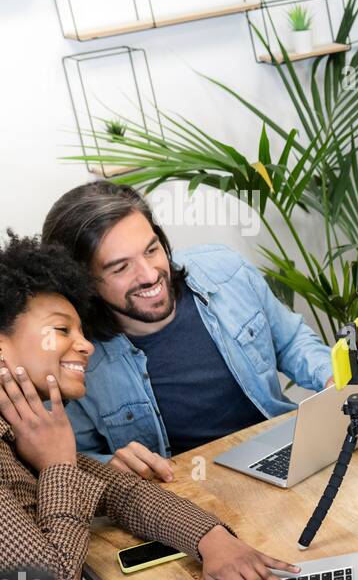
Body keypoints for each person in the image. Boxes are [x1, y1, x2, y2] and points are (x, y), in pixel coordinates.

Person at [0, 233, 298, 580]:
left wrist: (214, 541)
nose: (86, 344)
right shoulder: (35, 450)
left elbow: (123, 491)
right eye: (61, 331)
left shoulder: (22, 435)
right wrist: (61, 463)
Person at [42, 180, 333, 481]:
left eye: (152, 250)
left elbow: (290, 341)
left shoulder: (226, 270)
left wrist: (329, 374)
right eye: (120, 268)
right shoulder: (76, 359)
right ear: (83, 282)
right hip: (191, 491)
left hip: (281, 448)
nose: (150, 274)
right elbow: (74, 453)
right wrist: (108, 465)